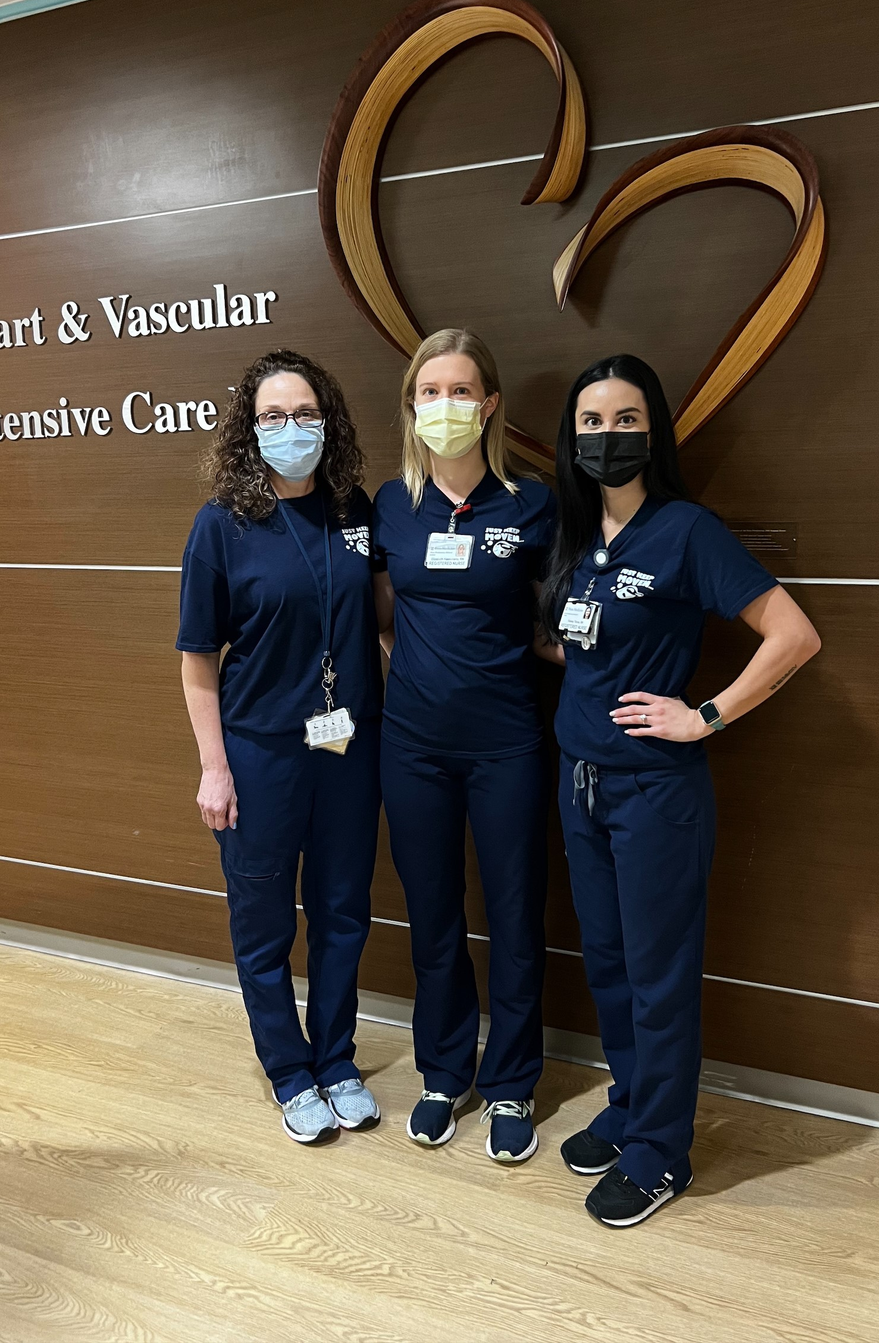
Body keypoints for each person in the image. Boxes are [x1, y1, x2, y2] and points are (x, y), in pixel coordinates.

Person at [537, 353, 821, 1226]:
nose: (608, 435)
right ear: (573, 435)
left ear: (652, 432)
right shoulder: (579, 536)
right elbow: (566, 641)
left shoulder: (686, 530)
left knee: (659, 975)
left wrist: (706, 713)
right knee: (613, 966)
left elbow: (794, 634)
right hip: (577, 782)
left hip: (656, 792)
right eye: (593, 421)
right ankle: (630, 1107)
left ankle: (663, 1152)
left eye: (626, 420)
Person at [177, 349, 383, 1145]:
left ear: (326, 422)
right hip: (261, 755)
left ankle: (335, 1059)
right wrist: (214, 767)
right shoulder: (221, 524)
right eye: (273, 417)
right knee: (264, 924)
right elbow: (198, 661)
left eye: (305, 414)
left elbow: (385, 617)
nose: (291, 429)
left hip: (346, 749)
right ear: (249, 429)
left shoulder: (355, 510)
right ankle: (289, 1072)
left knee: (342, 913)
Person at [372, 328, 557, 1165]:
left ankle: (514, 1081)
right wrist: (410, 670)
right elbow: (378, 614)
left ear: (489, 405)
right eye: (428, 392)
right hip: (411, 745)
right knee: (434, 914)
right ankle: (446, 1072)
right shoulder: (389, 506)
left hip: (507, 742)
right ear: (411, 408)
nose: (443, 407)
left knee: (516, 915)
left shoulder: (534, 503)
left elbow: (560, 621)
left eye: (459, 391)